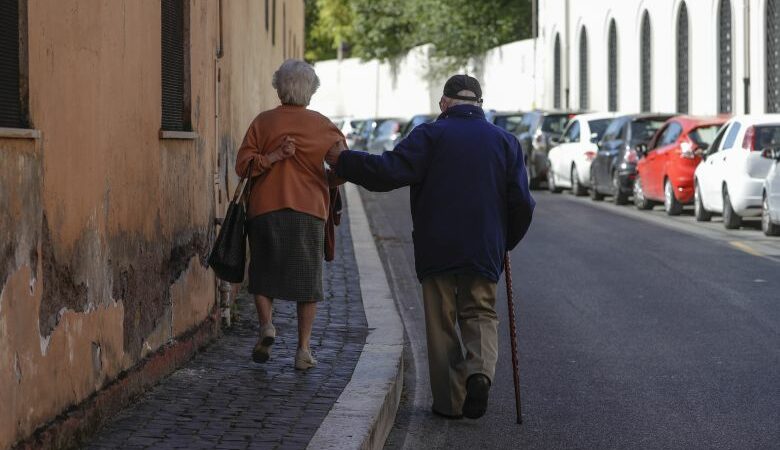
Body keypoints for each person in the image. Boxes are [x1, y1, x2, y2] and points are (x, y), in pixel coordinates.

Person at [325, 75, 535, 419]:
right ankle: (479, 373)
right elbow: (522, 204)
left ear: (444, 103)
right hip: (483, 246)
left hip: (436, 246)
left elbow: (388, 172)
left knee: (441, 322)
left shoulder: (430, 135)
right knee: (480, 312)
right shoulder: (506, 142)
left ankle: (450, 404)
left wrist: (345, 161)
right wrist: (504, 240)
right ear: (479, 104)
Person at [235, 59, 344, 370]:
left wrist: (270, 157)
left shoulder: (262, 122)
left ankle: (267, 326)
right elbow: (343, 168)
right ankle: (303, 350)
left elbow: (242, 166)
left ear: (279, 89)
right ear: (310, 91)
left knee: (262, 275)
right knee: (307, 283)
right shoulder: (324, 126)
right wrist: (325, 179)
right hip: (309, 212)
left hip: (264, 210)